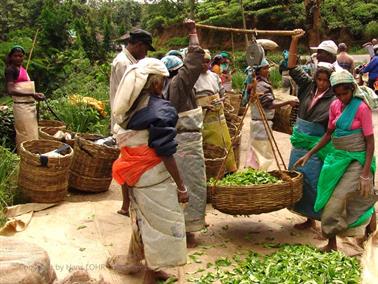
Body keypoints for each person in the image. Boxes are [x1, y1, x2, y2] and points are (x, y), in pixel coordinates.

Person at [107, 58, 189, 283]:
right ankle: (150, 275)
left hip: (135, 175)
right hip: (152, 176)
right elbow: (164, 151)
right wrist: (181, 187)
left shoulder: (130, 108)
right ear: (155, 84)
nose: (164, 85)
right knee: (163, 224)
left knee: (143, 220)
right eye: (163, 81)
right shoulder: (161, 109)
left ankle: (154, 267)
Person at [295, 69, 378, 252]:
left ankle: (368, 233)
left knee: (340, 200)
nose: (342, 98)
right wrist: (309, 154)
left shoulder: (361, 108)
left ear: (352, 89)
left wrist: (365, 173)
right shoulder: (334, 106)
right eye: (338, 94)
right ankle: (332, 244)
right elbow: (328, 134)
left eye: (345, 93)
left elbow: (370, 141)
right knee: (325, 197)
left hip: (357, 159)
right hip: (338, 157)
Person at [161, 19, 207, 248]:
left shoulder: (165, 86)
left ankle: (180, 229)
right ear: (176, 72)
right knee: (191, 186)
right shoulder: (178, 84)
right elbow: (194, 63)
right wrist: (193, 33)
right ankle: (188, 232)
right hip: (186, 142)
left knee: (177, 187)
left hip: (177, 141)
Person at [287, 30, 336, 230]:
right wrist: (294, 41)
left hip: (317, 145)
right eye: (319, 80)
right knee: (299, 179)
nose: (322, 84)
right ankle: (307, 218)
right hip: (300, 141)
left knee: (315, 181)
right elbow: (291, 66)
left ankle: (317, 219)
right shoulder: (308, 86)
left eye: (326, 81)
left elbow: (331, 128)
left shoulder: (334, 97)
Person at [109, 29, 155, 217]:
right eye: (146, 50)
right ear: (138, 45)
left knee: (132, 159)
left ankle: (130, 202)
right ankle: (126, 204)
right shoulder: (122, 63)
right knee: (127, 160)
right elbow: (128, 95)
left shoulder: (131, 61)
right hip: (126, 119)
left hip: (131, 118)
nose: (146, 54)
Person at [245, 58, 298, 170]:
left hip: (259, 123)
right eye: (265, 68)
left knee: (257, 151)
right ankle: (259, 175)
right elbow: (269, 104)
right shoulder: (260, 85)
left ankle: (255, 172)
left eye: (268, 67)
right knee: (262, 151)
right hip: (261, 124)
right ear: (258, 71)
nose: (268, 70)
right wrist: (288, 102)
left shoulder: (259, 82)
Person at [194, 50, 237, 173]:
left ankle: (229, 171)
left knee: (226, 143)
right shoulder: (192, 78)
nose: (205, 65)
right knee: (211, 148)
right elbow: (190, 101)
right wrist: (203, 105)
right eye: (203, 62)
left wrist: (223, 99)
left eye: (208, 62)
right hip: (205, 121)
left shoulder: (213, 76)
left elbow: (222, 92)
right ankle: (216, 173)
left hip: (220, 118)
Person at [4, 45, 45, 150]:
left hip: (29, 106)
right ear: (11, 57)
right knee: (24, 134)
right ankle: (24, 155)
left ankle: (32, 154)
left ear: (24, 57)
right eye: (15, 56)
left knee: (32, 133)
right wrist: (31, 94)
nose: (18, 58)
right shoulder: (11, 70)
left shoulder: (22, 69)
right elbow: (11, 89)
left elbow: (24, 87)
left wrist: (36, 94)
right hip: (21, 107)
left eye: (20, 56)